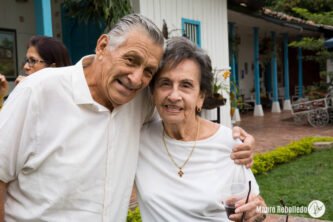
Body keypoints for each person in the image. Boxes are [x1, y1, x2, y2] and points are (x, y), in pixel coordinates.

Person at [0, 14, 254, 222]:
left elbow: (182, 112)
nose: (135, 78)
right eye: (130, 60)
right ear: (102, 47)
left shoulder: (139, 100)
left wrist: (236, 139)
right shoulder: (39, 91)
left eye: (148, 71)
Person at [135, 37, 266, 222]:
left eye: (186, 85)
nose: (174, 95)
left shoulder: (231, 144)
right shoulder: (138, 140)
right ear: (153, 93)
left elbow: (257, 204)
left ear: (201, 98)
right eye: (165, 83)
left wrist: (258, 211)